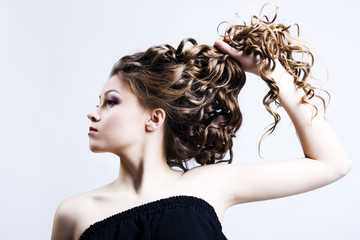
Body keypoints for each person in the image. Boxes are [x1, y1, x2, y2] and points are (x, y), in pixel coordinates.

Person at [51, 6, 351, 240]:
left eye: (111, 101)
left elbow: (332, 163)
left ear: (154, 118)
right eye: (98, 102)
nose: (93, 113)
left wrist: (273, 72)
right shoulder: (75, 214)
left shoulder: (208, 184)